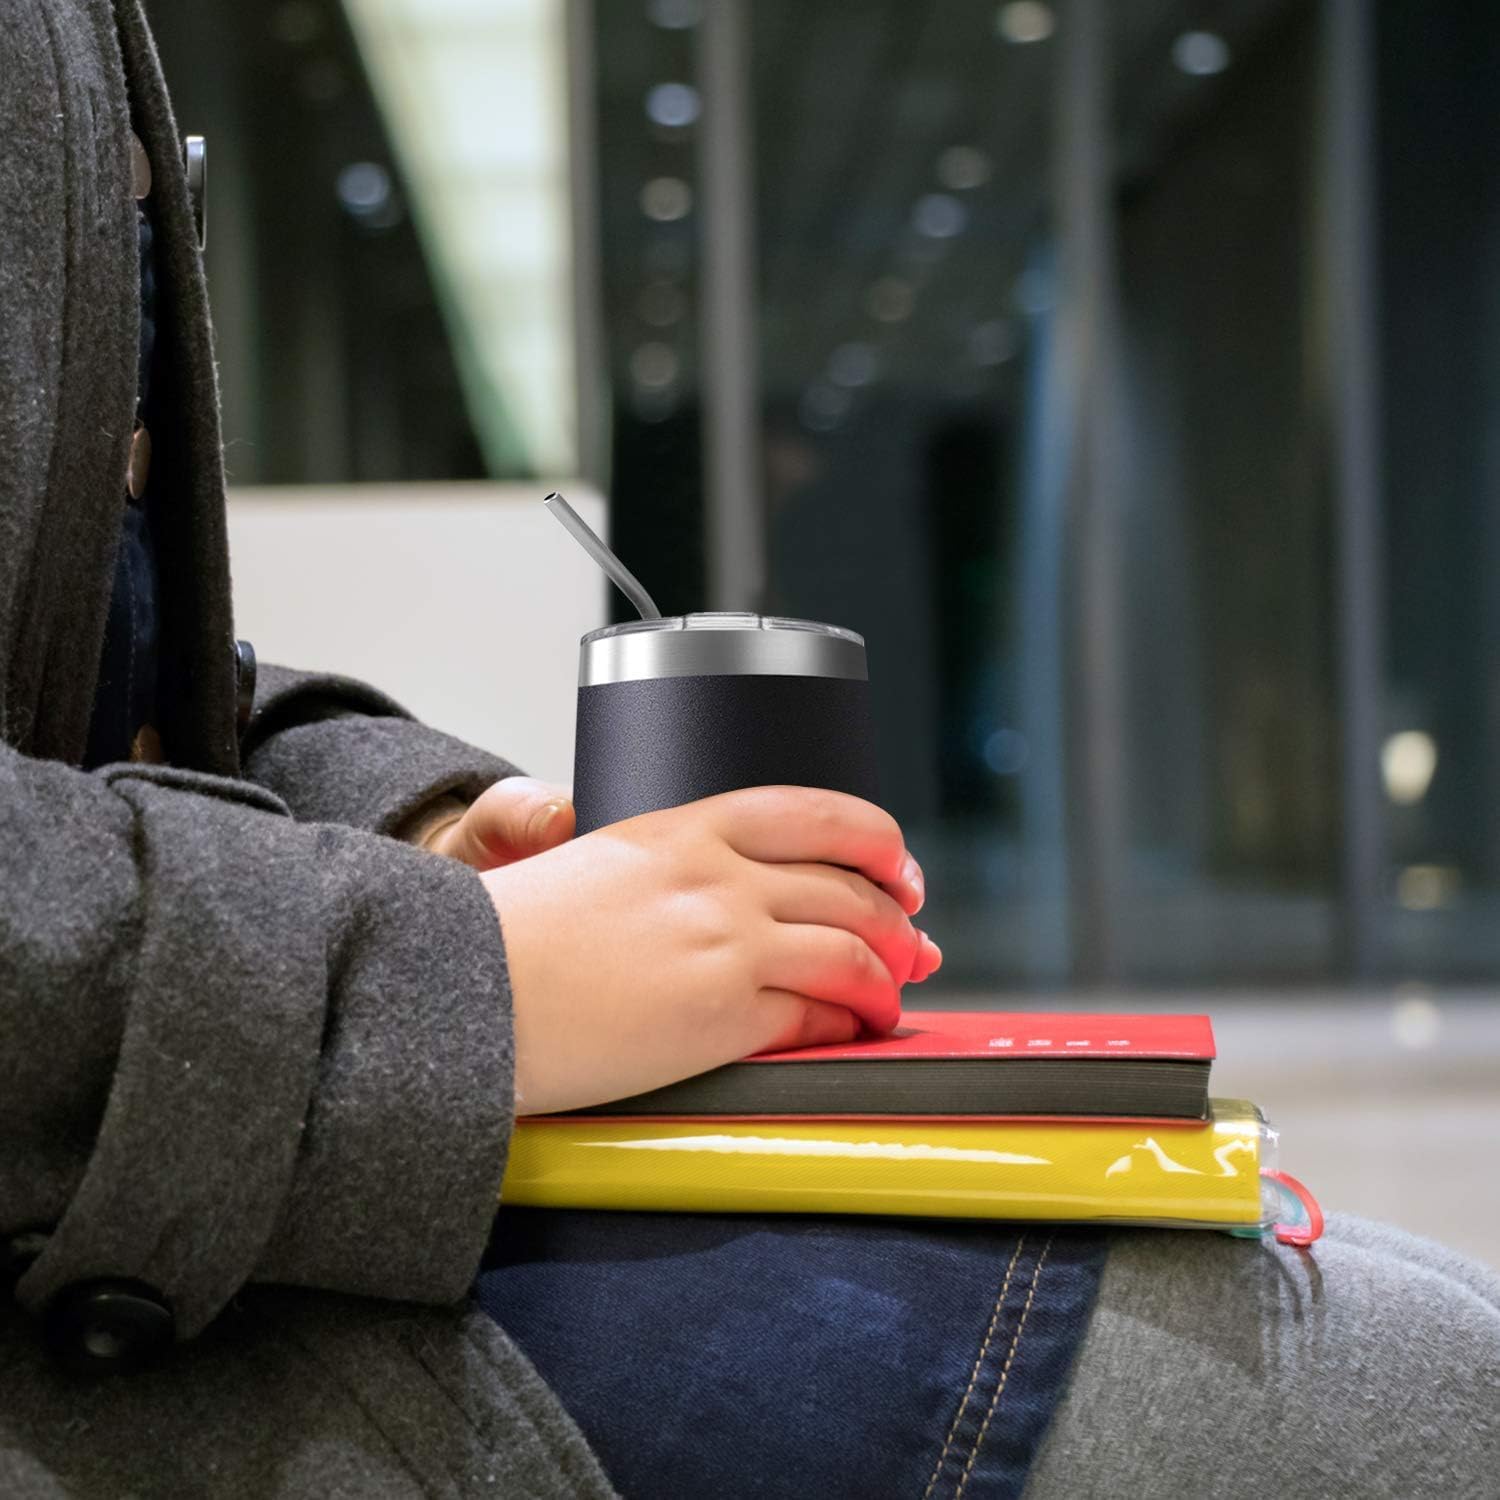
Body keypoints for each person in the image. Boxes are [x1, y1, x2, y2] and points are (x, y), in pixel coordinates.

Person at [2, 3, 1497, 1497]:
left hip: (212, 1123)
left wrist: (419, 832)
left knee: (1423, 1331)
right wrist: (449, 976)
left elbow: (121, 682)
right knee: (1412, 1386)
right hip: (131, 1233)